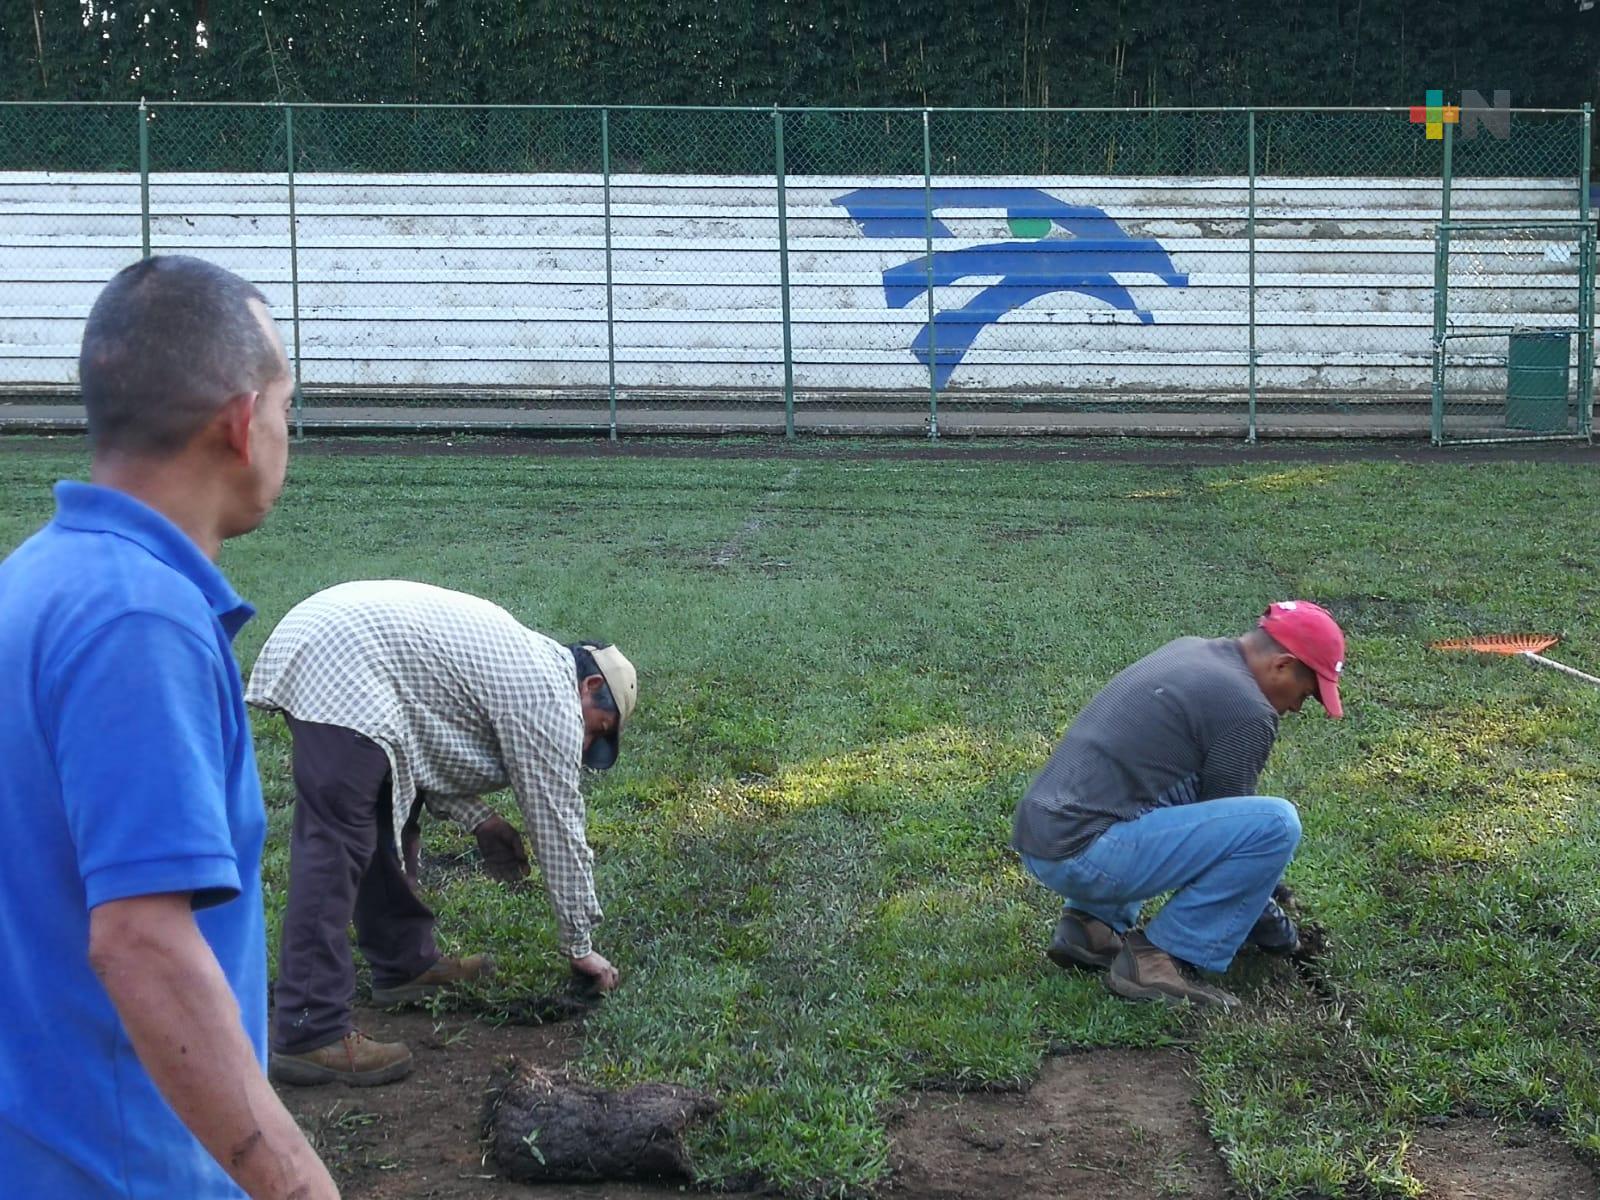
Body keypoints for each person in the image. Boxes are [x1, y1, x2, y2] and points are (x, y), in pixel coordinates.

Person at [0, 256, 338, 1198]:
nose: (285, 432)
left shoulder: (32, 581)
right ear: (240, 421)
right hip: (119, 1168)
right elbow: (142, 943)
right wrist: (295, 1185)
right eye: (286, 407)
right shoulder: (139, 622)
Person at [245, 580, 637, 1086]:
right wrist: (580, 945)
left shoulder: (529, 668)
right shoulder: (550, 697)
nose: (584, 746)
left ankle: (405, 965)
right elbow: (559, 827)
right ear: (589, 686)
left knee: (378, 813)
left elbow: (428, 748)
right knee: (335, 845)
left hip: (345, 644)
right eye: (597, 729)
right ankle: (309, 1029)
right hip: (344, 655)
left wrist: (480, 819)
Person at [1012, 601, 1347, 1009]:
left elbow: (1209, 809)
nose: (1296, 707)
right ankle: (1156, 959)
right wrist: (1282, 937)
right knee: (1276, 824)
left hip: (1043, 836)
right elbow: (1235, 843)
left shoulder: (1191, 650)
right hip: (1084, 854)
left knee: (1179, 788)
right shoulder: (1247, 709)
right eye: (1306, 694)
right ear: (1283, 665)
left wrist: (1269, 887)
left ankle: (1090, 925)